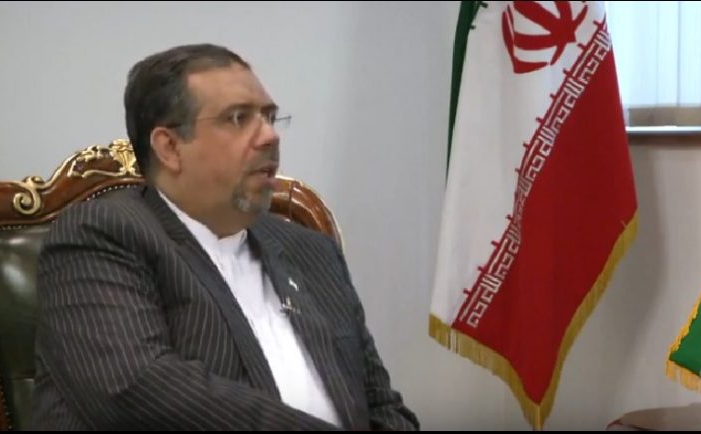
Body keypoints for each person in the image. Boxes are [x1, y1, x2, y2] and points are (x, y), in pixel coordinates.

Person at [31, 43, 419, 431]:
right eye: (238, 118)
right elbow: (135, 390)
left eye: (269, 117)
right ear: (170, 147)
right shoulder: (101, 236)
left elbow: (381, 404)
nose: (270, 136)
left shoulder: (311, 250)